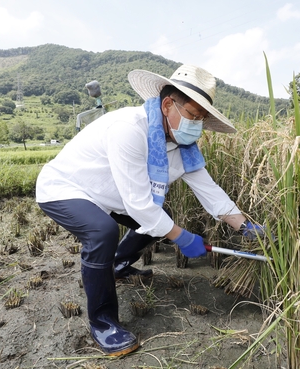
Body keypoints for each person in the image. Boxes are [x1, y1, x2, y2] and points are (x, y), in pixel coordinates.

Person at [35, 64, 266, 356]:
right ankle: (103, 323)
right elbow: (140, 206)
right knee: (103, 231)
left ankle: (118, 265)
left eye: (201, 119)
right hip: (66, 188)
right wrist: (182, 237)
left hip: (113, 196)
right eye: (193, 115)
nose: (196, 125)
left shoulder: (183, 146)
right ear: (168, 104)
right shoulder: (129, 129)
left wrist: (244, 226)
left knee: (160, 218)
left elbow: (209, 191)